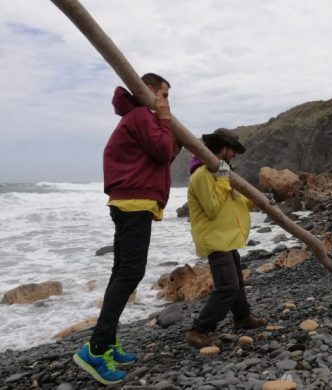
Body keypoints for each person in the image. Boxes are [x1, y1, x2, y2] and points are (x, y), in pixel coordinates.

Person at [73, 73, 181, 385]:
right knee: (131, 272)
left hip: (128, 202)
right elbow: (162, 152)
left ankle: (108, 341)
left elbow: (162, 153)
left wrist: (164, 125)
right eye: (163, 95)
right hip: (134, 202)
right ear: (148, 90)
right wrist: (163, 117)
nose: (166, 103)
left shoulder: (136, 118)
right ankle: (95, 349)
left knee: (121, 271)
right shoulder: (142, 115)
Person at [185, 129, 267, 349]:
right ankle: (199, 330)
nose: (233, 155)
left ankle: (242, 318)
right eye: (232, 150)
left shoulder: (222, 174)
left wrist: (259, 201)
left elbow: (236, 201)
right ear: (222, 148)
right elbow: (212, 209)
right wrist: (223, 180)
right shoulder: (202, 175)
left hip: (228, 238)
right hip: (215, 239)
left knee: (237, 282)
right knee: (227, 286)